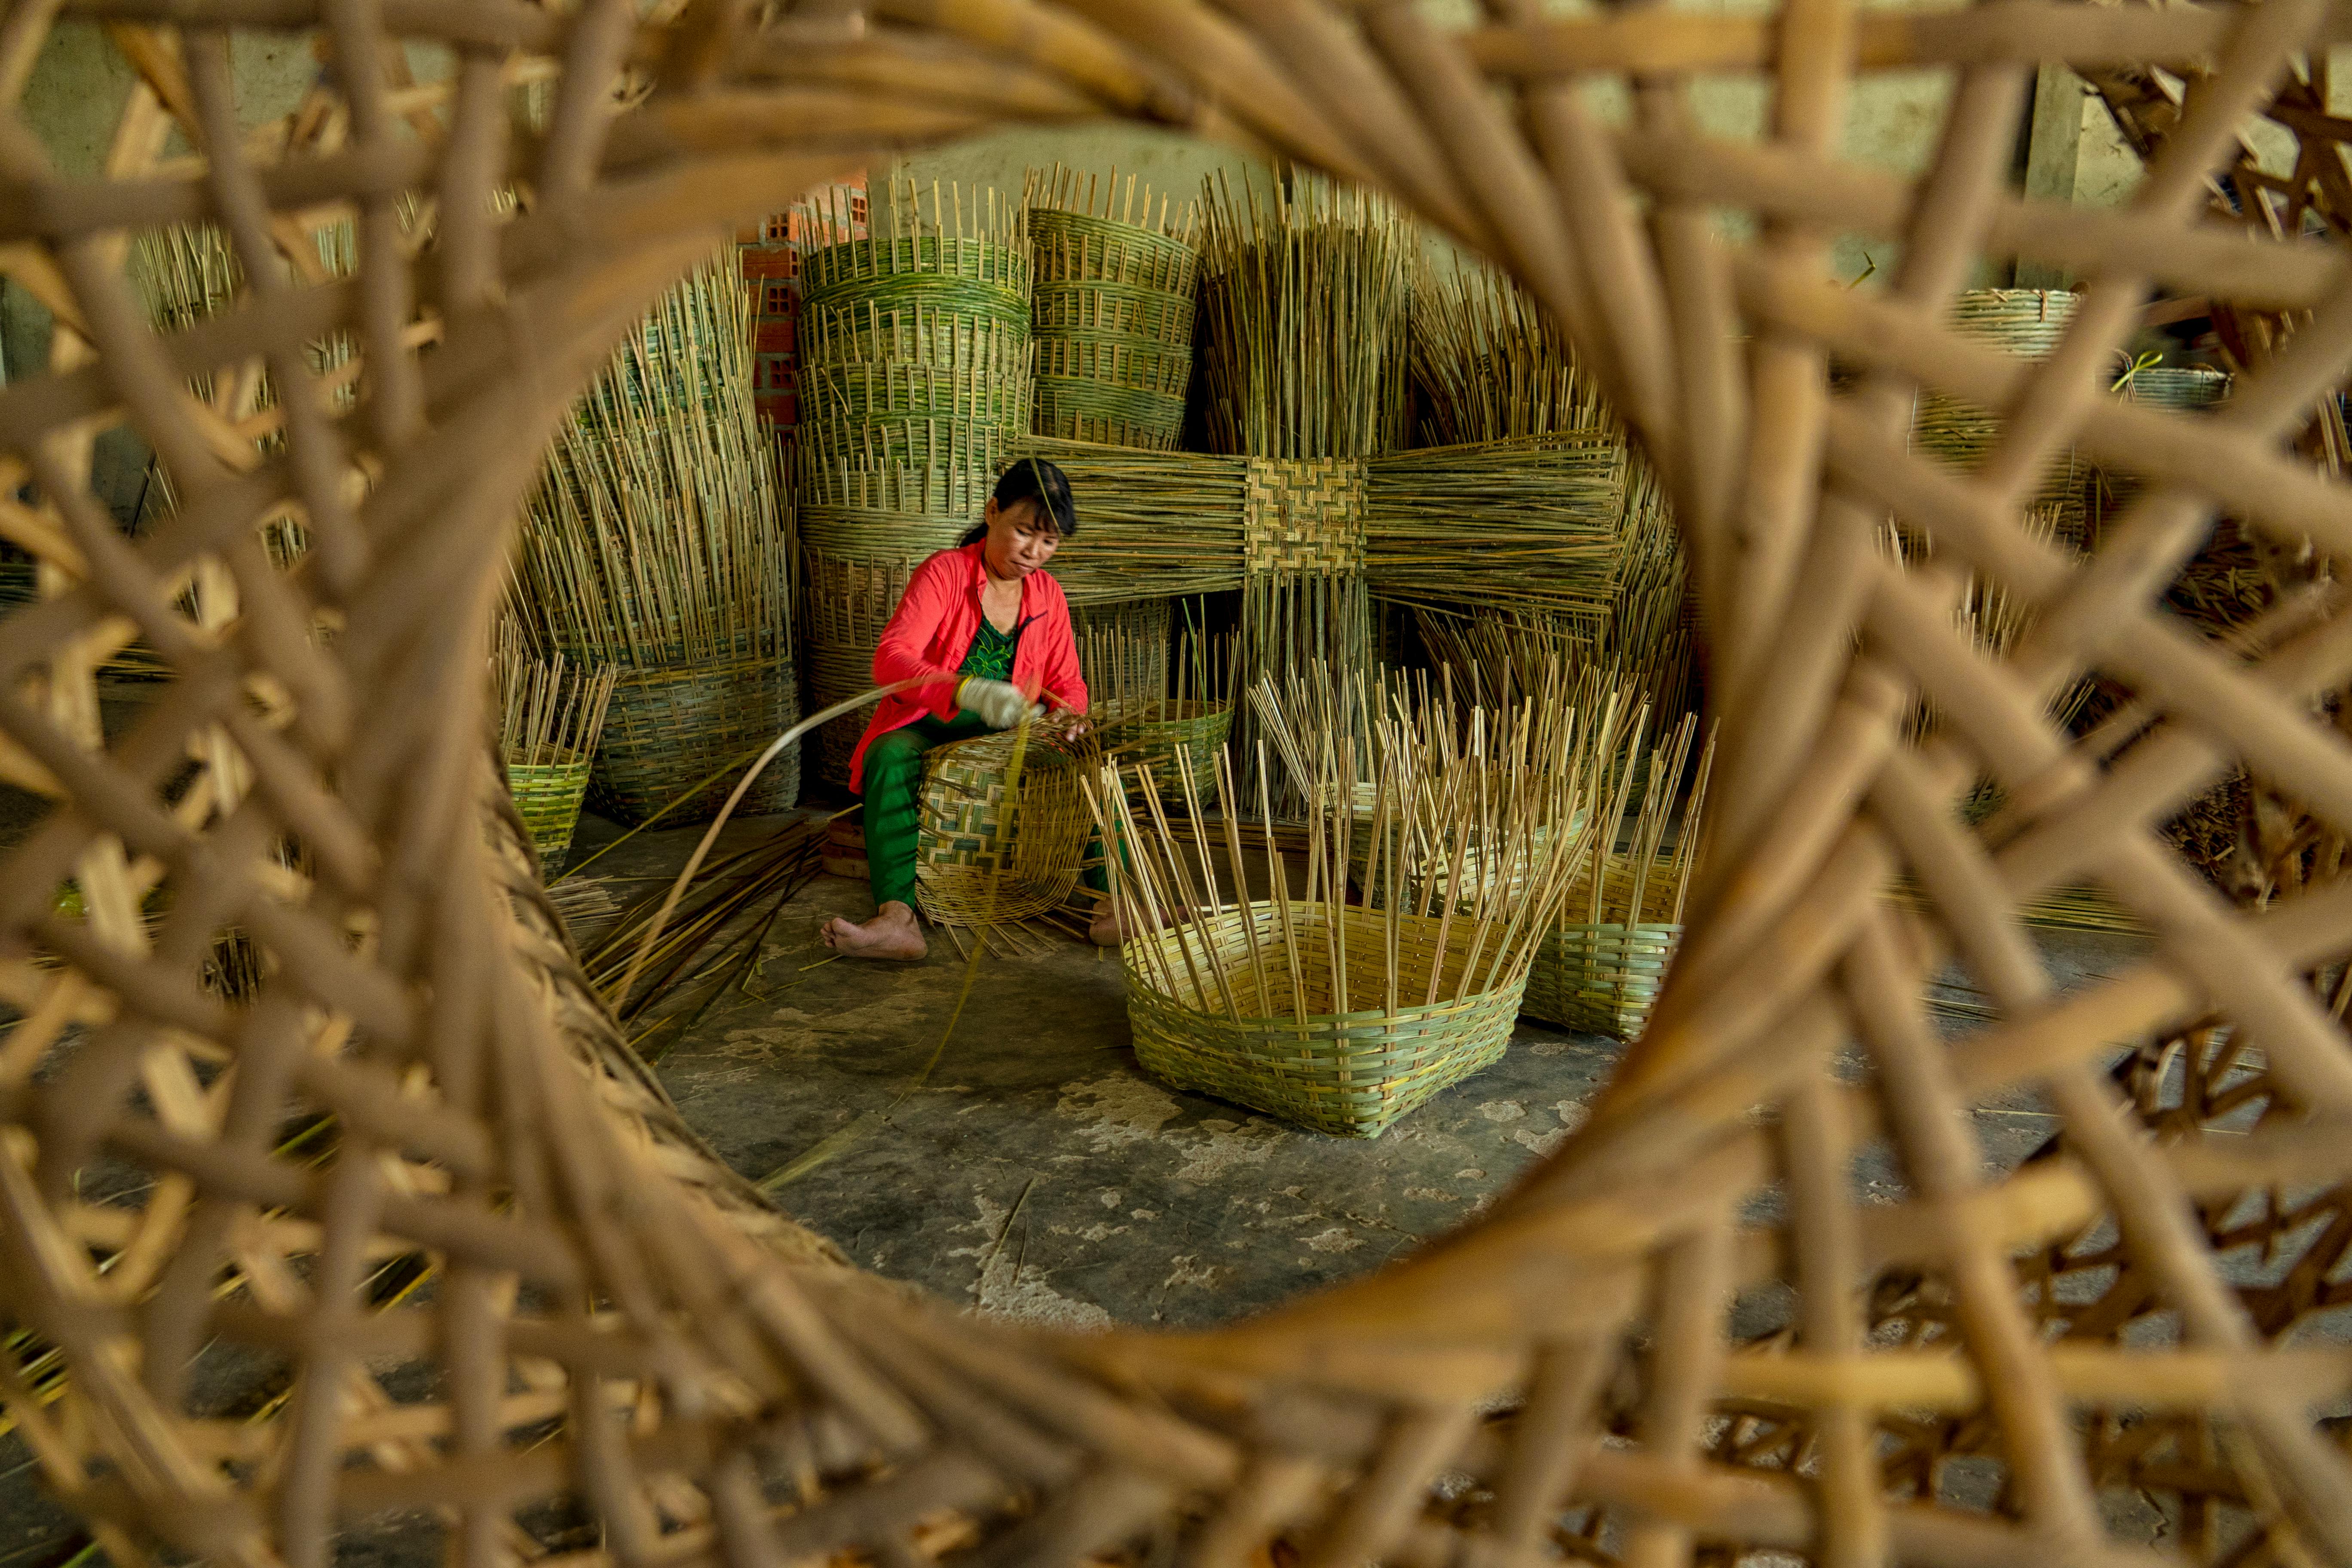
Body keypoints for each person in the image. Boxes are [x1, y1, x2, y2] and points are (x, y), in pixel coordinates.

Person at [822, 459, 1120, 959]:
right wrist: (965, 691)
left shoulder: (1048, 594)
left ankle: (1116, 903)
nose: (1034, 552)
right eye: (1024, 532)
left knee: (1090, 757)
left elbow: (1065, 680)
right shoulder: (945, 572)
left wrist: (1071, 715)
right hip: (933, 721)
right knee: (888, 755)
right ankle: (897, 919)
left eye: (1049, 541)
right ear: (992, 512)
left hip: (1014, 729)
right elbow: (891, 658)